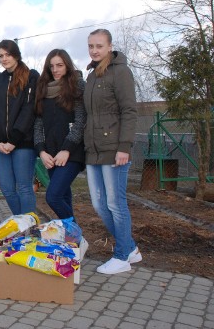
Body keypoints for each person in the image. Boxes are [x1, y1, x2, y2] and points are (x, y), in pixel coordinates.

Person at [84, 28, 141, 275]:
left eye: (99, 46)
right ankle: (130, 249)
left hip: (114, 149)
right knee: (99, 204)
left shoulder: (121, 72)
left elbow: (129, 111)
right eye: (91, 46)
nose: (94, 50)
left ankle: (121, 257)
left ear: (109, 47)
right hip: (93, 150)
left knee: (116, 204)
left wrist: (124, 147)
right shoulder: (92, 76)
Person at [0, 39, 39, 215]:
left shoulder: (31, 76)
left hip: (23, 143)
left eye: (7, 54)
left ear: (16, 54)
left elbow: (29, 110)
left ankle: (29, 229)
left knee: (24, 187)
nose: (4, 59)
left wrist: (14, 139)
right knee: (7, 189)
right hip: (1, 145)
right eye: (0, 56)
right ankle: (21, 222)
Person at [34, 49, 86, 221]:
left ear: (67, 66)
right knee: (63, 196)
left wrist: (67, 149)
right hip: (50, 154)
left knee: (53, 197)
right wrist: (41, 151)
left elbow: (80, 121)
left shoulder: (76, 86)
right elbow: (38, 124)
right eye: (52, 66)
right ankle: (72, 241)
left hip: (71, 153)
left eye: (60, 65)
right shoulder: (43, 90)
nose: (55, 70)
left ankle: (75, 232)